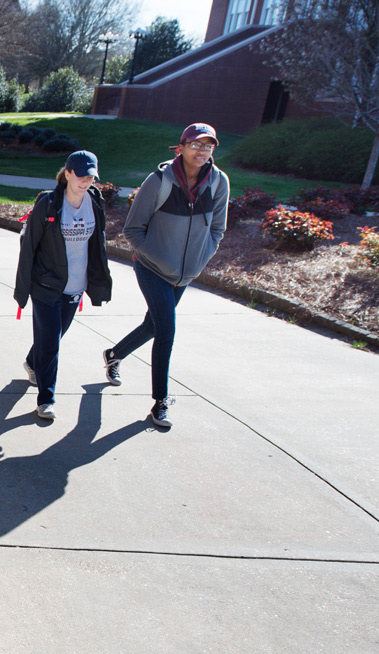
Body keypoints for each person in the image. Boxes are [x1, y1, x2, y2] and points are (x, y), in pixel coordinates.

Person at [102, 123, 230, 429]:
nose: (202, 151)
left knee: (153, 324)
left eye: (208, 146)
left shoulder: (218, 182)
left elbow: (217, 229)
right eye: (196, 145)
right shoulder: (158, 180)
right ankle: (160, 402)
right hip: (151, 268)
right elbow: (132, 230)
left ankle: (114, 353)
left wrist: (197, 264)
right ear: (181, 147)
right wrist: (163, 263)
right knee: (166, 331)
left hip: (185, 274)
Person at [14, 150, 113, 420]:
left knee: (54, 337)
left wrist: (97, 280)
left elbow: (98, 244)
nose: (85, 182)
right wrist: (23, 289)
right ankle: (46, 399)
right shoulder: (49, 203)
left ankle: (33, 362)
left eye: (90, 177)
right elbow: (30, 246)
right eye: (80, 176)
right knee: (52, 344)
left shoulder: (95, 201)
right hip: (46, 285)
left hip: (76, 285)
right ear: (67, 173)